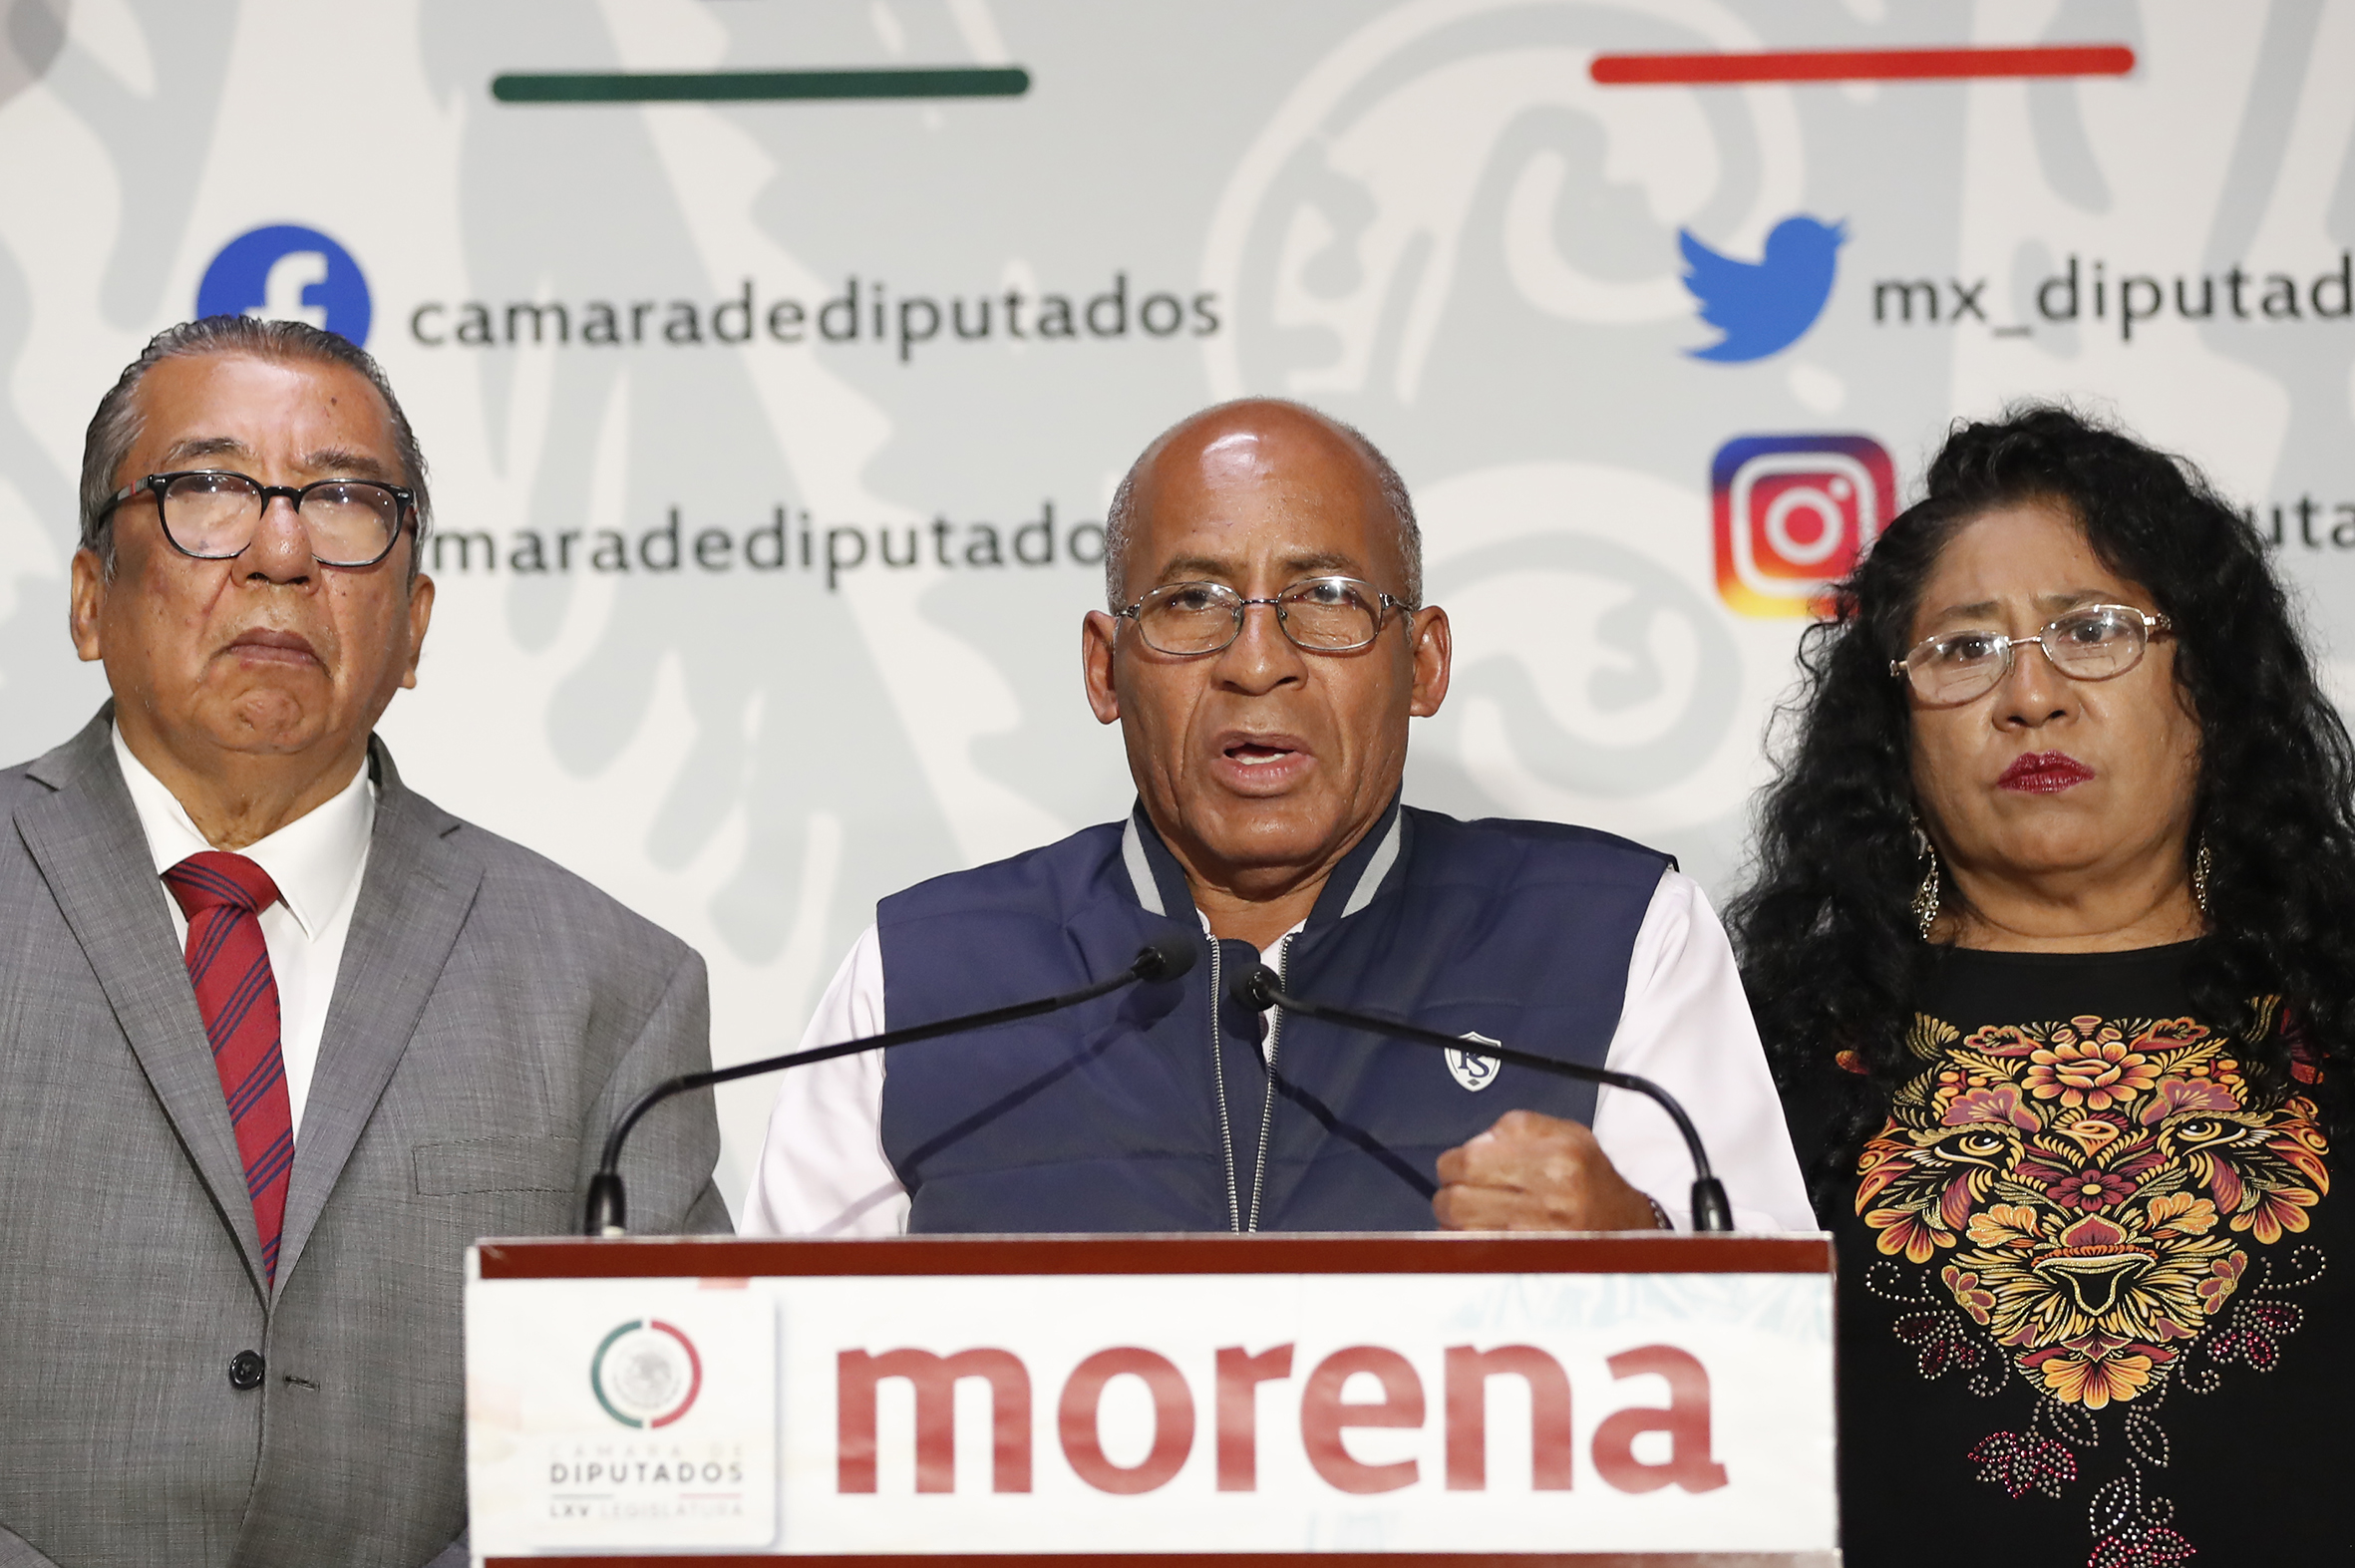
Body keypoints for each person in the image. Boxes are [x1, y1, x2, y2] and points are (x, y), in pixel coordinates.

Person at [0, 318, 727, 1568]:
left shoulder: (610, 988)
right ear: (87, 597)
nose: (282, 552)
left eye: (343, 502)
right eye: (210, 489)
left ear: (416, 623)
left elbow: (658, 1443)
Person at [743, 398, 1809, 1236]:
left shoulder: (1613, 933)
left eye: (1328, 598)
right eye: (1191, 602)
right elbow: (771, 1390)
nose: (1257, 662)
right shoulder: (923, 980)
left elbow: (1777, 1376)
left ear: (1424, 662)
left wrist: (1643, 1249)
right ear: (1105, 668)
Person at [1731, 406, 2354, 1564]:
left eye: (2092, 630)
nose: (2030, 695)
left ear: (2211, 687)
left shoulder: (2337, 1015)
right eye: (1965, 648)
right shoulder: (1768, 1060)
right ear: (1892, 726)